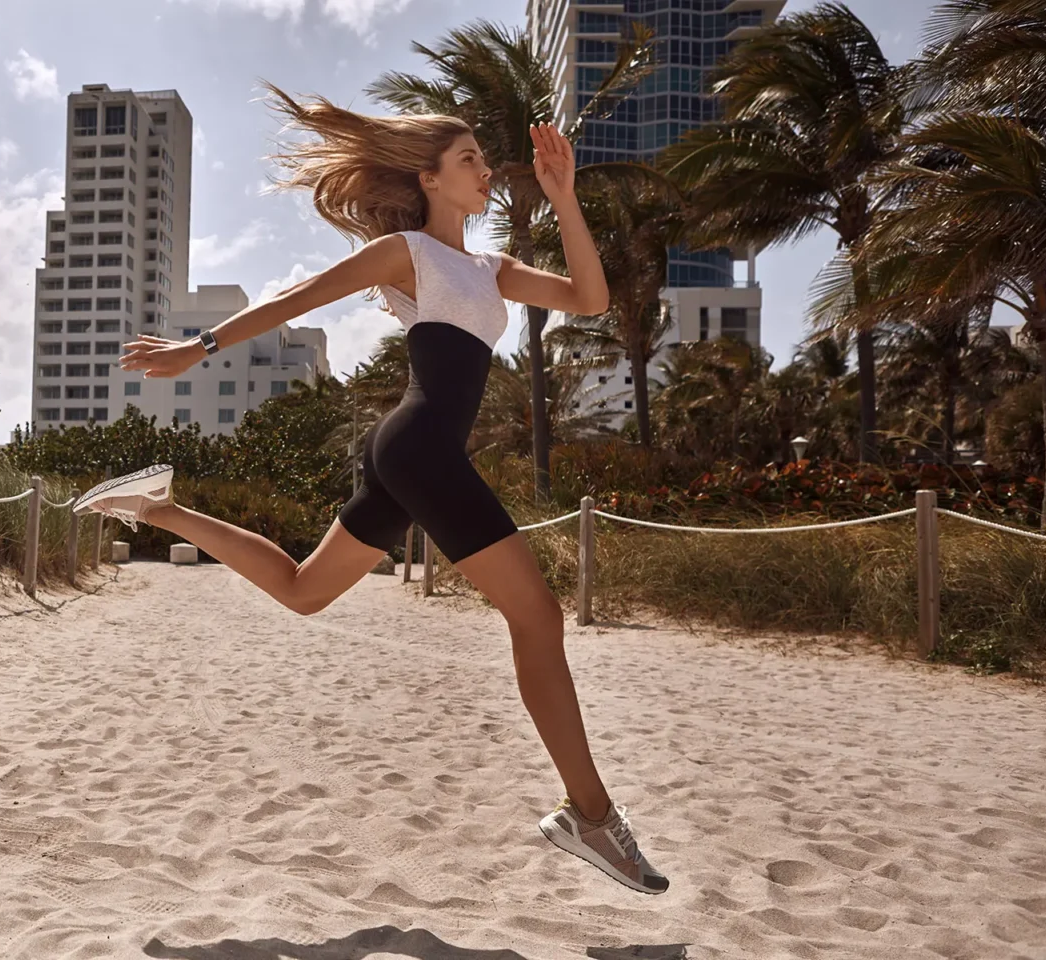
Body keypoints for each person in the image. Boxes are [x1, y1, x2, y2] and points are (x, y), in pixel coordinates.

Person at [73, 83, 668, 896]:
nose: (485, 171)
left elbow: (589, 300)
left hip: (411, 452)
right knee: (537, 614)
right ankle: (591, 815)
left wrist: (564, 197)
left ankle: (157, 507)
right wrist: (198, 344)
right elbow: (299, 296)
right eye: (469, 161)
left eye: (485, 161)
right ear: (429, 178)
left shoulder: (493, 271)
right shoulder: (409, 255)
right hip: (419, 446)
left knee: (304, 589)